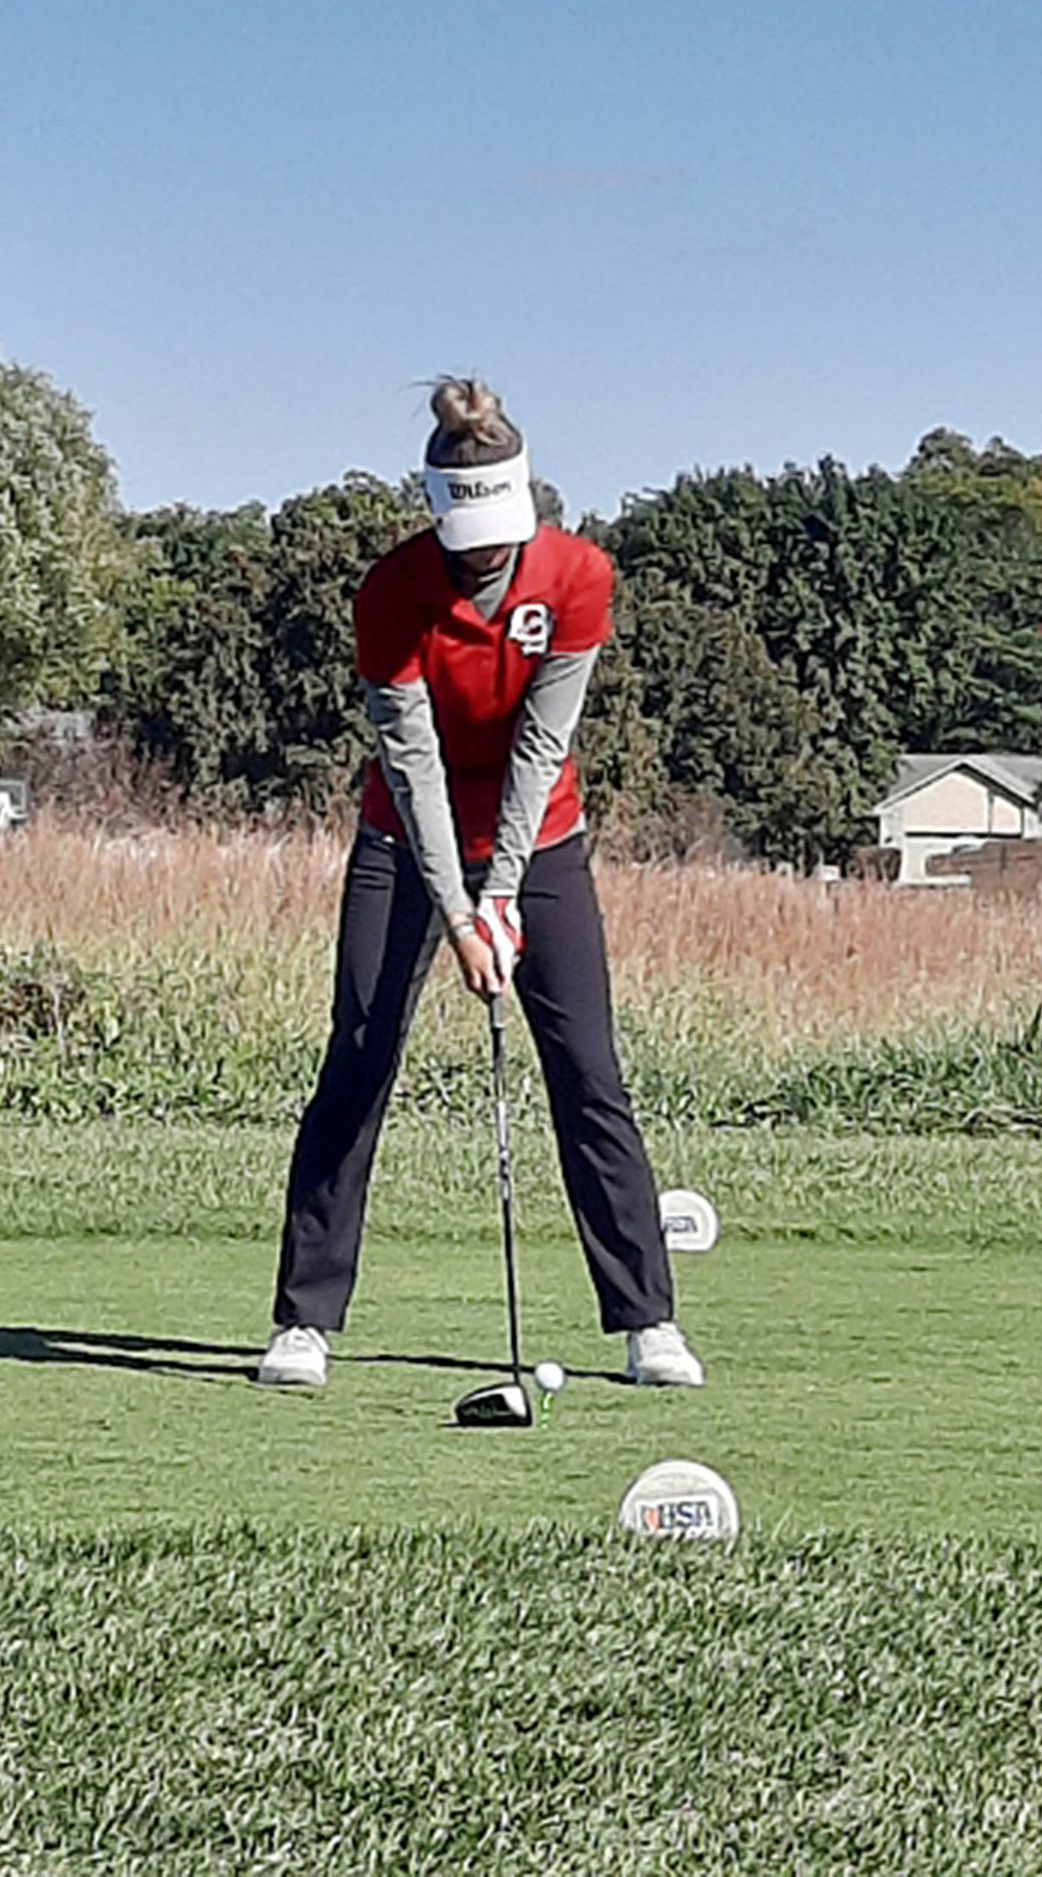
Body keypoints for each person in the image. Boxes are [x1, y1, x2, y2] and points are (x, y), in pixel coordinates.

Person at [257, 377, 703, 1392]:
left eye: (503, 534)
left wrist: (499, 893)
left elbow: (541, 747)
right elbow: (409, 763)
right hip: (401, 841)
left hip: (540, 839)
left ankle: (649, 1321)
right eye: (471, 539)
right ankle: (303, 1322)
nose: (489, 559)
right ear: (440, 513)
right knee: (361, 1054)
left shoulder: (580, 576)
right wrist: (458, 915)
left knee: (587, 1067)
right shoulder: (392, 592)